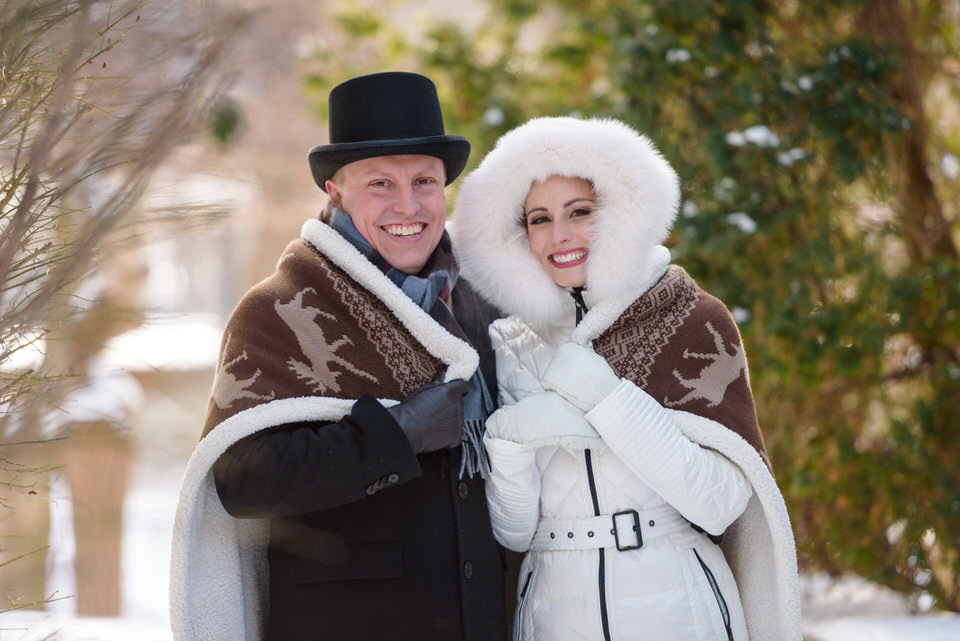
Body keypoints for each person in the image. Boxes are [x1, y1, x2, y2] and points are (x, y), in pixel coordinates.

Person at [170, 72, 511, 641]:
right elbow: (239, 482)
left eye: (424, 181)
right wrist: (394, 435)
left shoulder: (483, 302)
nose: (409, 205)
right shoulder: (281, 311)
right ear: (335, 192)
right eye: (381, 183)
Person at [450, 116, 802, 641]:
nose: (560, 235)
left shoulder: (688, 318)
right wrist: (508, 445)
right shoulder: (511, 345)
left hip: (680, 607)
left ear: (620, 211)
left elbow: (722, 502)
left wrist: (606, 398)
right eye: (539, 219)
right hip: (553, 617)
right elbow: (515, 535)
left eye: (580, 212)